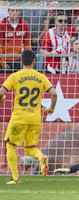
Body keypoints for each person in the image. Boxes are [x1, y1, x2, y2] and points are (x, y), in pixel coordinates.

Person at [0, 50, 58, 184]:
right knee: (30, 148)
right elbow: (54, 93)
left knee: (11, 146)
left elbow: (1, 91)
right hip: (35, 118)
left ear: (21, 61)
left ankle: (15, 178)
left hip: (19, 117)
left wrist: (1, 98)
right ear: (34, 61)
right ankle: (42, 156)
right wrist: (51, 108)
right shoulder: (41, 76)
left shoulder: (15, 76)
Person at [0, 8, 31, 73]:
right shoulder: (2, 25)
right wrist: (2, 62)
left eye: (17, 10)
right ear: (8, 11)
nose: (14, 13)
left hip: (19, 58)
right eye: (12, 10)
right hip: (5, 58)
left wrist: (27, 61)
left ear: (19, 12)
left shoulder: (24, 25)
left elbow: (27, 44)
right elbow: (0, 45)